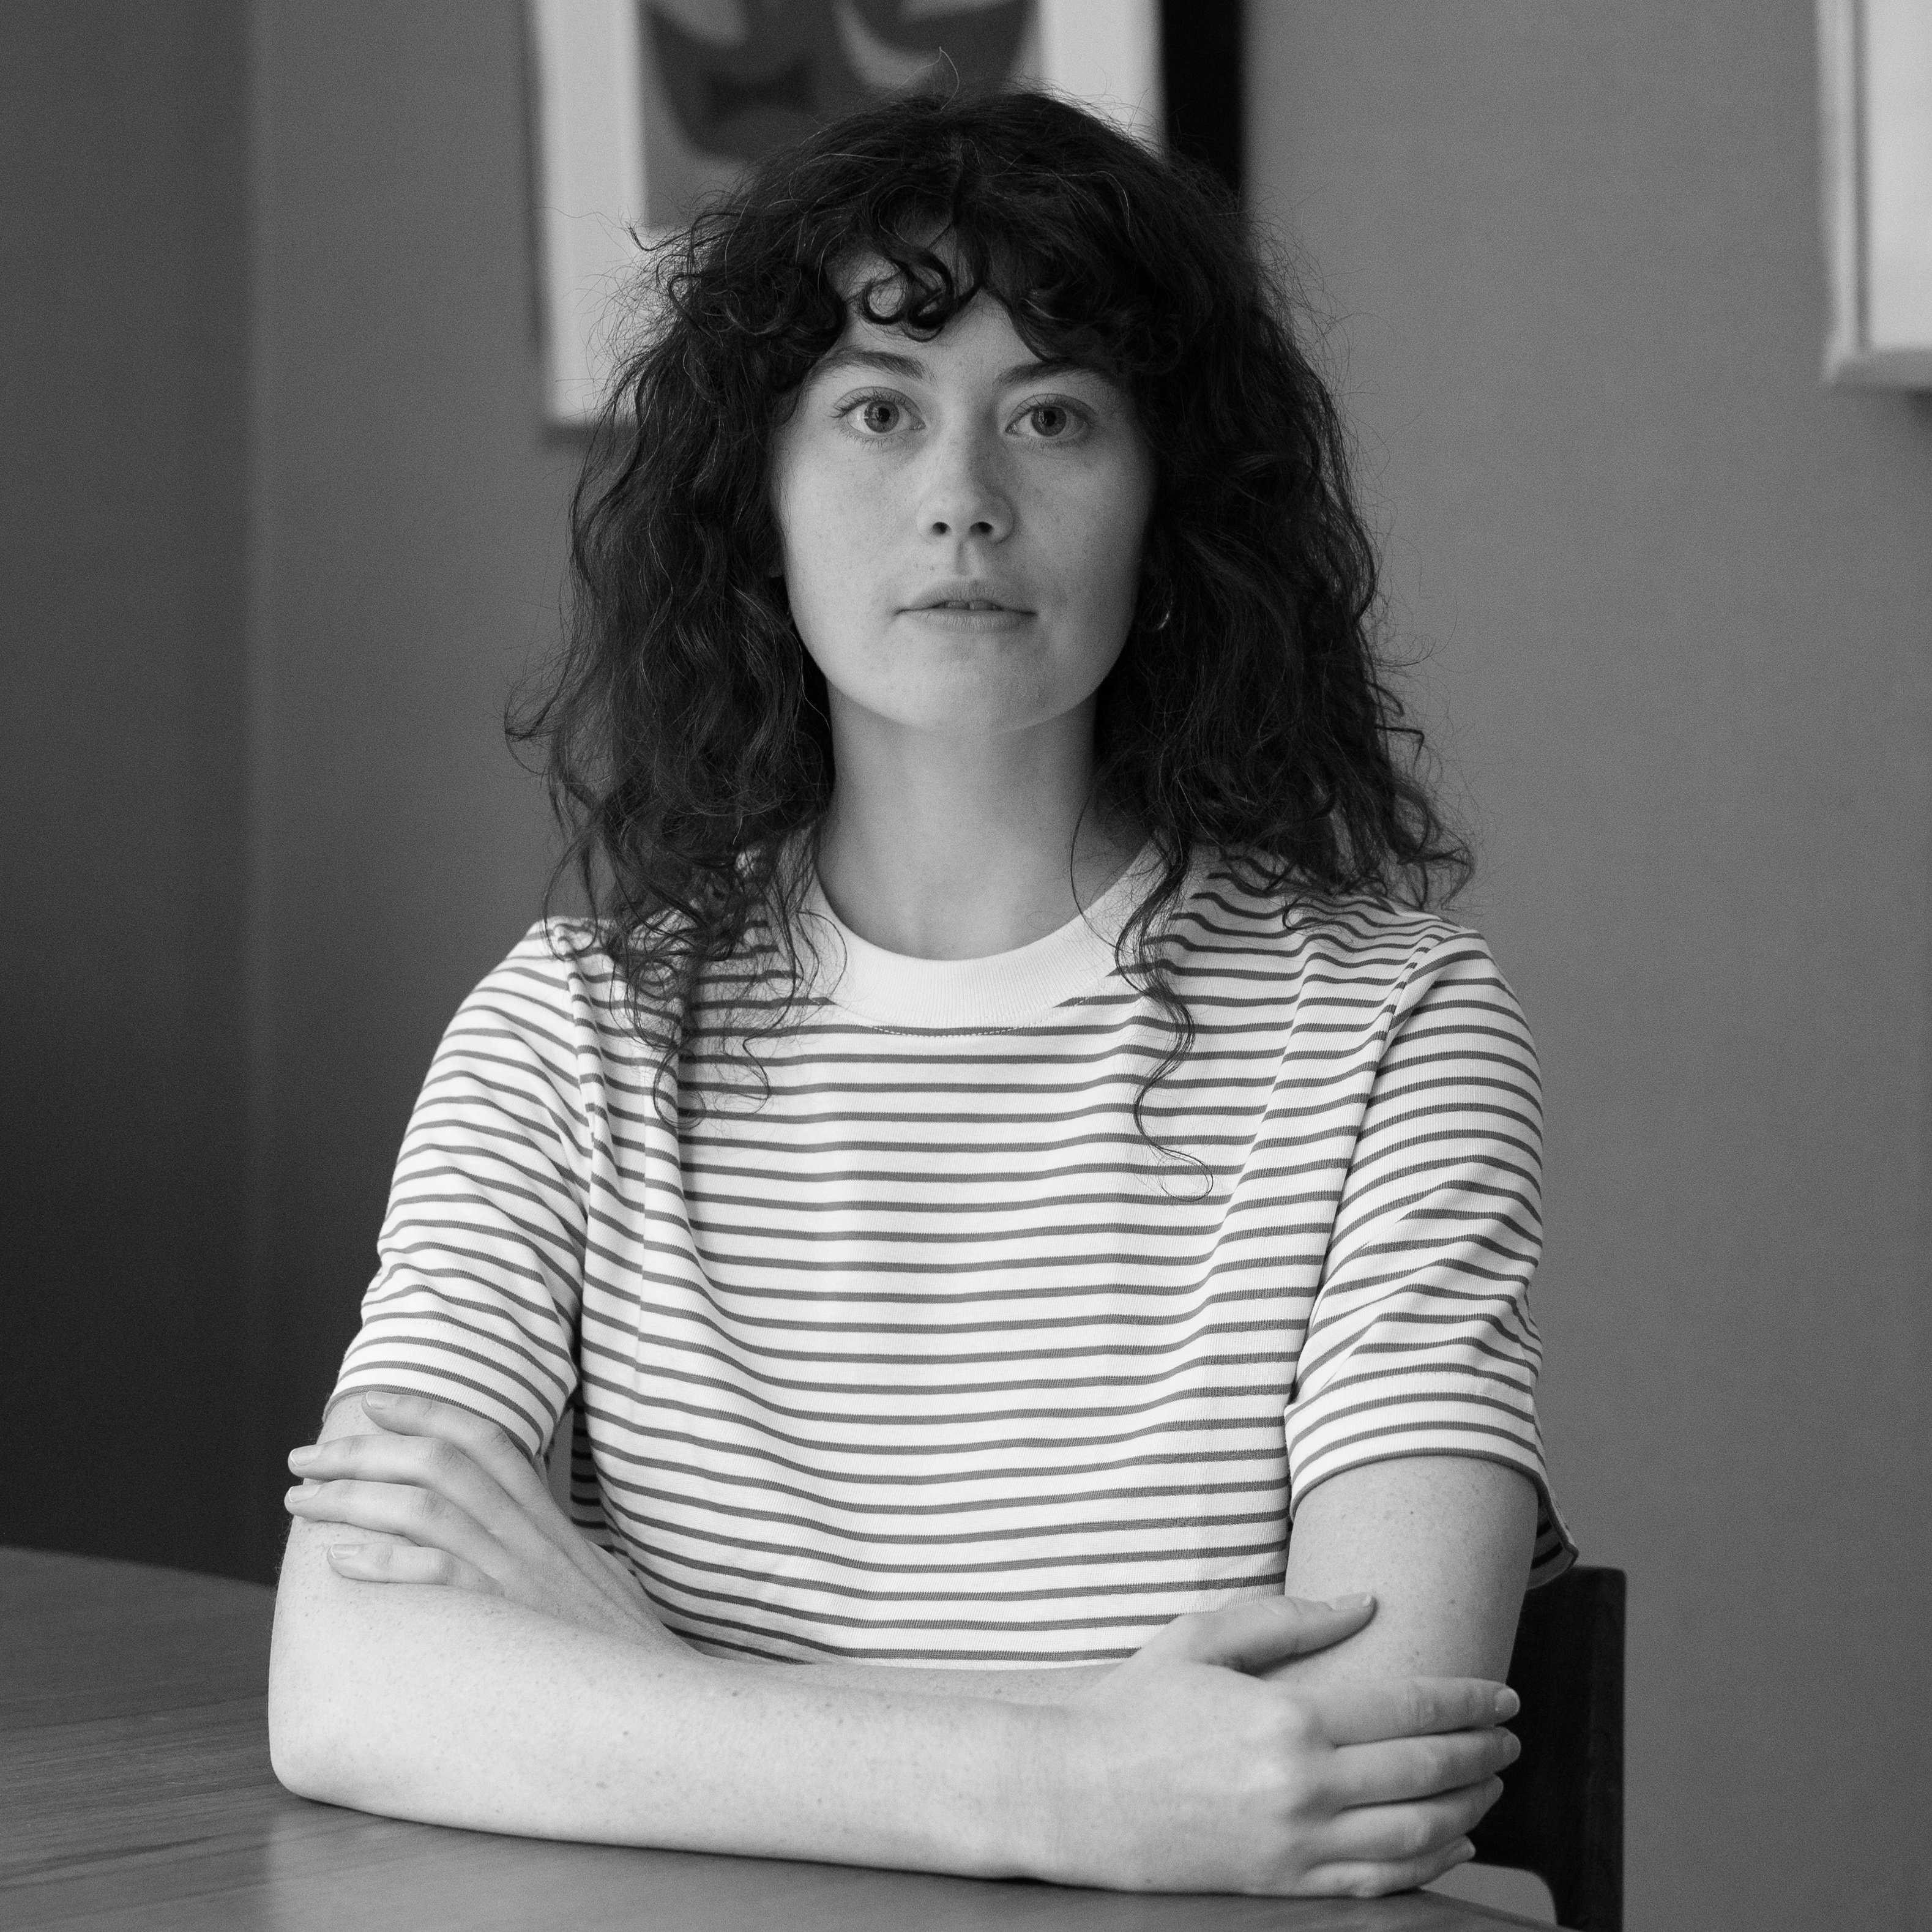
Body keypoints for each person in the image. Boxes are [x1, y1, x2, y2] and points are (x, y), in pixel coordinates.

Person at [269, 84, 1575, 1898]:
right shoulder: (565, 1034)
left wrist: (634, 1672)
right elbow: (346, 1683)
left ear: (1171, 505)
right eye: (878, 411)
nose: (963, 500)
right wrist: (1073, 1785)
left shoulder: (1392, 1028)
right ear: (760, 502)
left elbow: (1364, 1761)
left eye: (1054, 416)